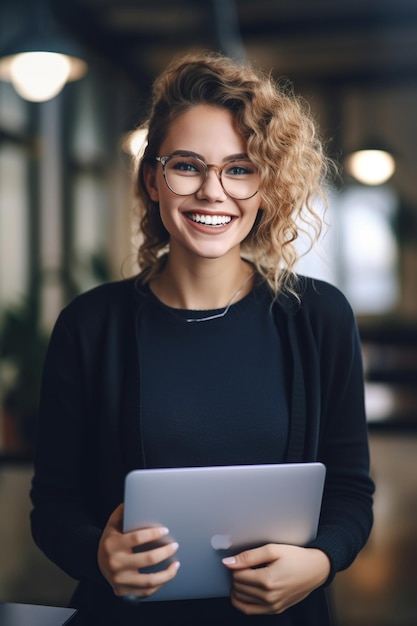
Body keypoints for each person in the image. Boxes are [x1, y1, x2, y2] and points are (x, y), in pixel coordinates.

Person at [30, 51, 374, 625]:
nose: (213, 192)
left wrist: (320, 562)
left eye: (240, 169)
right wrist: (97, 553)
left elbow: (349, 492)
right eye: (187, 165)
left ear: (265, 185)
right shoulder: (91, 325)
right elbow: (54, 506)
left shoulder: (319, 317)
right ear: (153, 179)